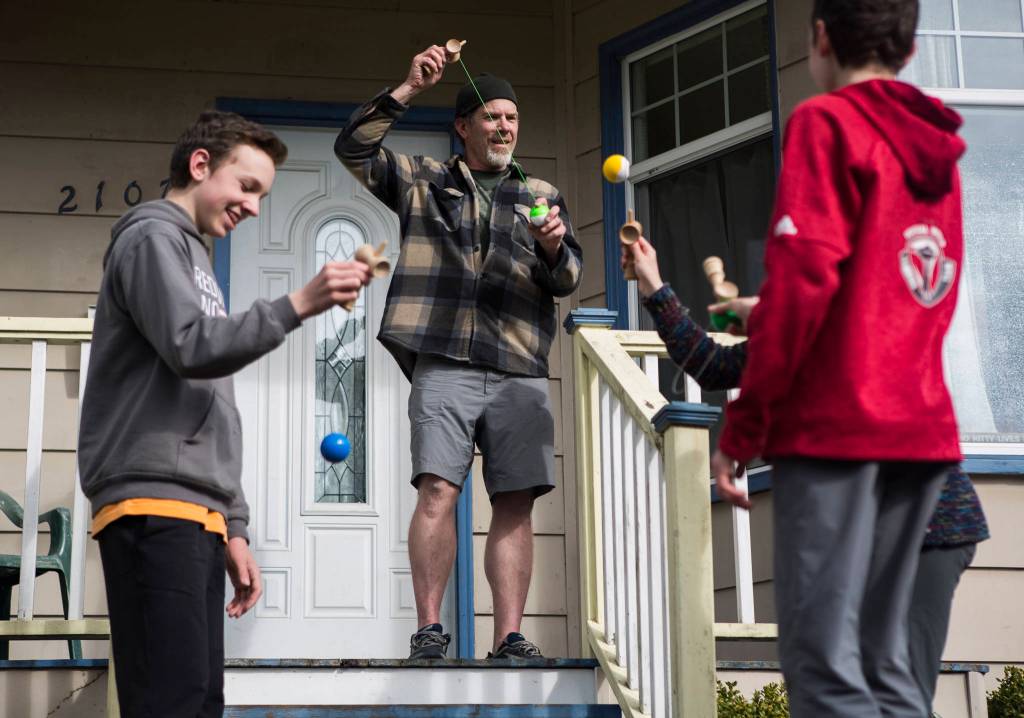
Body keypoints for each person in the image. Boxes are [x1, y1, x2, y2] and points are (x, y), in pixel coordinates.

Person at [691, 0, 968, 714]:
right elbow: (911, 290)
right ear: (908, 47)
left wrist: (742, 432)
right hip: (923, 430)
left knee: (823, 667)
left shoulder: (829, 123)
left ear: (819, 39)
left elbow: (803, 288)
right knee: (887, 670)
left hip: (839, 427)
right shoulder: (935, 146)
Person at [78, 111, 372, 717]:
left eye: (262, 195)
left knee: (198, 701)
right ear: (200, 165)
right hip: (151, 505)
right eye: (247, 187)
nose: (255, 207)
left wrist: (233, 522)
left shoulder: (195, 259)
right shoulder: (152, 239)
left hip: (194, 512)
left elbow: (214, 397)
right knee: (171, 702)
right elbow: (192, 348)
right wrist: (301, 302)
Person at [626, 237, 989, 715]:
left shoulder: (865, 323)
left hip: (932, 528)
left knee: (897, 688)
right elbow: (711, 363)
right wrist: (653, 284)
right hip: (866, 537)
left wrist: (761, 315)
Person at [335, 46, 583, 659]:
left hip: (519, 364)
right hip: (443, 358)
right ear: (463, 127)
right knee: (437, 493)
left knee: (516, 501)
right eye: (491, 117)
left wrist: (552, 247)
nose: (503, 127)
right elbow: (354, 150)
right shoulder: (424, 179)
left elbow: (569, 276)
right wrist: (409, 86)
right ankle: (428, 630)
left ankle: (509, 636)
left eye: (511, 118)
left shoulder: (540, 192)